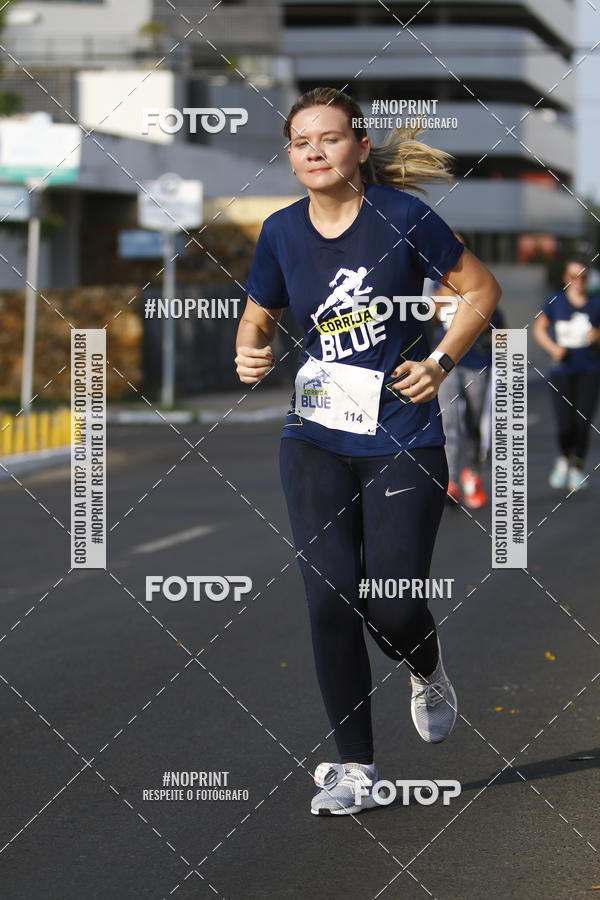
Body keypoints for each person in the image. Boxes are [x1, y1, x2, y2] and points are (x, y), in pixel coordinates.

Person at [235, 87, 501, 816]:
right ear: (291, 158)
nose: (313, 151)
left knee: (389, 599)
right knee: (328, 595)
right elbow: (258, 315)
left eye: (328, 138)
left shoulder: (403, 217)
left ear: (358, 147)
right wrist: (247, 352)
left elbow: (478, 288)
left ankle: (427, 666)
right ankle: (356, 769)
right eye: (300, 142)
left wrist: (442, 362)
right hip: (314, 436)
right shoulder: (281, 231)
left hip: (402, 437)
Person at [431, 253, 507, 508]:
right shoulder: (437, 287)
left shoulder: (479, 283)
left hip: (477, 364)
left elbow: (495, 324)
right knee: (449, 421)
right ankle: (450, 481)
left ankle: (473, 472)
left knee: (474, 421)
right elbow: (427, 316)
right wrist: (443, 296)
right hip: (445, 366)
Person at [532, 257, 600, 492]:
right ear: (565, 279)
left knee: (582, 421)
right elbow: (538, 328)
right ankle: (563, 458)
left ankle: (577, 468)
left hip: (590, 369)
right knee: (564, 424)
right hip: (562, 369)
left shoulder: (596, 303)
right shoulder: (555, 301)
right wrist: (552, 348)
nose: (578, 282)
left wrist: (596, 336)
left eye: (583, 277)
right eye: (573, 277)